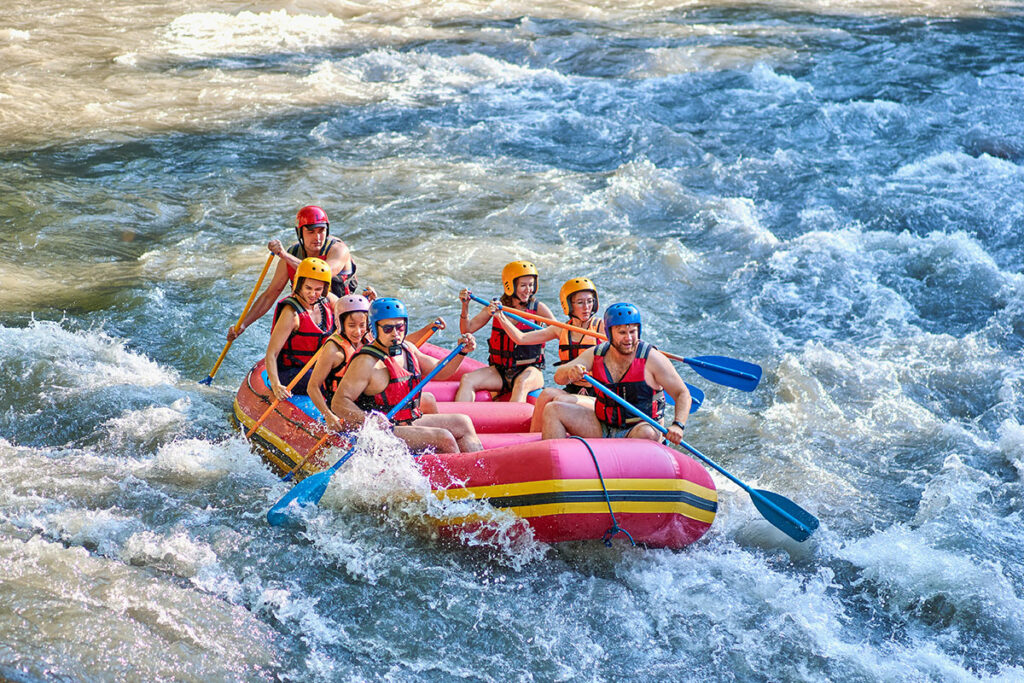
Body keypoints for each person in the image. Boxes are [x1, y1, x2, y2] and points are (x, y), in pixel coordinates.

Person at [334, 298, 483, 454]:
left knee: (463, 422)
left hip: (408, 422)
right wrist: (369, 420)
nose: (395, 334)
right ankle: (465, 474)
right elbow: (338, 402)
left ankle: (482, 468)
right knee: (444, 437)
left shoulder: (407, 349)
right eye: (387, 329)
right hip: (384, 431)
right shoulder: (366, 362)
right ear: (374, 329)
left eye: (400, 327)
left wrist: (462, 352)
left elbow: (441, 371)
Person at [541, 303, 691, 444]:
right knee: (552, 410)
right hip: (603, 425)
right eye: (622, 332)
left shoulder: (653, 359)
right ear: (609, 333)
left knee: (647, 433)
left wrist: (678, 425)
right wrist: (570, 371)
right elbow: (558, 377)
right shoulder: (596, 354)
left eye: (633, 332)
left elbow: (682, 393)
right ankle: (553, 467)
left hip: (638, 428)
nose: (629, 338)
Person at [227, 205, 362, 341]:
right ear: (300, 233)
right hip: (308, 315)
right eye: (311, 232)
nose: (317, 237)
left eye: (321, 231)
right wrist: (243, 325)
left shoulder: (338, 250)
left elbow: (322, 272)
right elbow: (270, 295)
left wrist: (283, 255)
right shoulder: (292, 255)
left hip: (341, 316)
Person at [491, 277, 604, 431]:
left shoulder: (602, 328)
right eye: (580, 303)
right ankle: (533, 439)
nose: (587, 307)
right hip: (573, 389)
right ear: (569, 305)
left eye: (590, 301)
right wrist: (501, 317)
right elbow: (522, 338)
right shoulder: (561, 329)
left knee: (558, 400)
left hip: (598, 395)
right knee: (545, 395)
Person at [455, 261, 555, 402]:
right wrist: (465, 306)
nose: (528, 290)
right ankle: (459, 421)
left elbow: (560, 332)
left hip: (531, 370)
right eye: (523, 285)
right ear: (510, 286)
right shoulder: (495, 307)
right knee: (467, 379)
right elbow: (467, 329)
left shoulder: (538, 308)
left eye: (531, 285)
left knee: (521, 384)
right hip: (500, 371)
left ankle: (513, 420)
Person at [265, 257, 336, 401]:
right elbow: (271, 353)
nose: (312, 294)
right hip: (290, 372)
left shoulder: (326, 303)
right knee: (324, 382)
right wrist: (276, 385)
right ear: (299, 286)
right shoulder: (291, 313)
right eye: (308, 288)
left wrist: (368, 302)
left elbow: (349, 309)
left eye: (318, 289)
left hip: (315, 369)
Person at [307, 294, 372, 433]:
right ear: (340, 324)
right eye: (351, 326)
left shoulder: (368, 340)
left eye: (362, 325)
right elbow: (312, 387)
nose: (358, 331)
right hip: (340, 406)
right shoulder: (333, 350)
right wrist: (328, 415)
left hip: (364, 400)